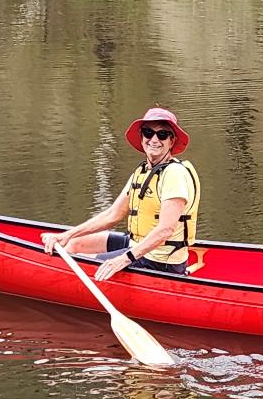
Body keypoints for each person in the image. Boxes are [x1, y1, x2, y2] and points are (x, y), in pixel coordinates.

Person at [42, 106, 201, 280]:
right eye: (148, 133)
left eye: (162, 134)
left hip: (160, 260)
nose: (154, 139)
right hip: (137, 244)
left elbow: (165, 230)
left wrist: (123, 259)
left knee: (79, 260)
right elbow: (113, 215)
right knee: (74, 244)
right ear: (141, 138)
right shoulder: (142, 172)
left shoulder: (174, 174)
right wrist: (66, 235)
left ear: (171, 141)